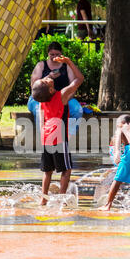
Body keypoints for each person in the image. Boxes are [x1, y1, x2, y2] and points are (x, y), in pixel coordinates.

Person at [31, 55, 84, 205]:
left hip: (46, 137)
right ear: (50, 88)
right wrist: (68, 62)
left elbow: (41, 120)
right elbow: (79, 79)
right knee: (66, 170)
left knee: (47, 171)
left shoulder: (42, 100)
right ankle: (61, 199)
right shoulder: (61, 96)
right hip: (59, 138)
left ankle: (43, 199)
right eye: (45, 80)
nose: (46, 78)